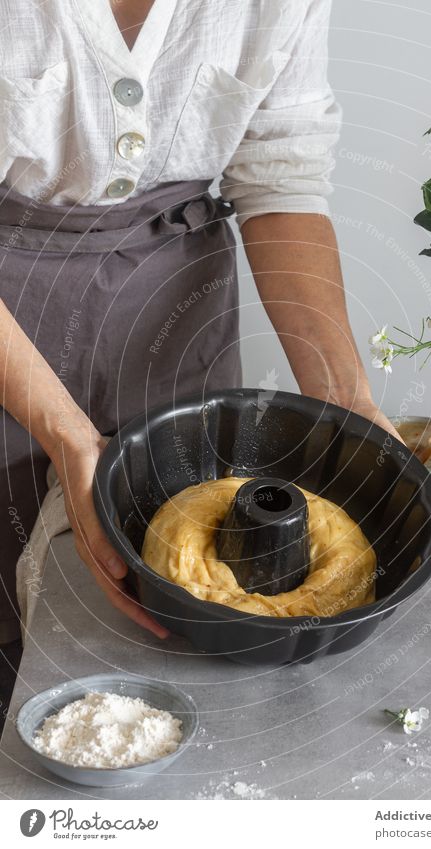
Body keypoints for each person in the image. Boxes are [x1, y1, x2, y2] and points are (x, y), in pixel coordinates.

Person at [0, 0, 399, 688]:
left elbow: (281, 172)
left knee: (163, 636)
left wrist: (345, 400)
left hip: (172, 315)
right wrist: (68, 439)